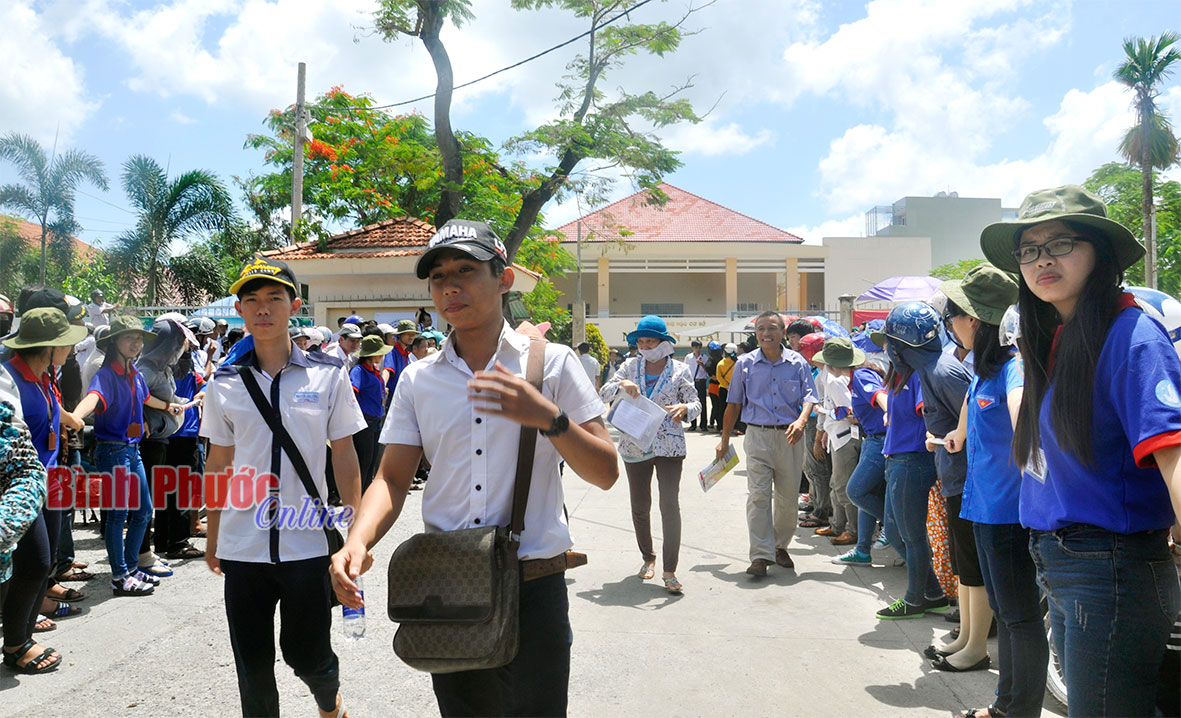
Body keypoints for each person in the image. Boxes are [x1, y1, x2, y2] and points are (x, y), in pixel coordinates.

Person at [330, 219, 618, 717]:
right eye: (438, 277)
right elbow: (392, 478)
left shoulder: (553, 365)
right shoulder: (419, 379)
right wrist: (358, 541)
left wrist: (550, 419)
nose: (450, 287)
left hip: (534, 583)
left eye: (466, 270)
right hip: (449, 586)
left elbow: (606, 471)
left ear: (503, 278)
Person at [980, 185, 1181, 717]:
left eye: (1060, 243)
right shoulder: (1059, 336)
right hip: (1062, 560)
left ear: (1100, 251)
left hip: (1109, 566)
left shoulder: (1132, 336)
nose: (1041, 259)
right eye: (1028, 249)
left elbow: (1174, 453)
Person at [201, 256, 365, 718]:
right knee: (252, 665)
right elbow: (219, 463)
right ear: (239, 308)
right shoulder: (225, 383)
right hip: (243, 544)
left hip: (307, 543)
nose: (263, 309)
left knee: (306, 653)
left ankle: (327, 699)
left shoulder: (327, 375)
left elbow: (345, 454)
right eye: (251, 300)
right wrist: (214, 536)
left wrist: (354, 534)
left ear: (294, 305)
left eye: (274, 298)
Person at [939, 264, 1047, 718]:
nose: (948, 324)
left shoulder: (1013, 367)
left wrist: (1040, 487)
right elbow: (971, 406)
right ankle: (1006, 704)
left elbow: (1026, 419)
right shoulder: (983, 371)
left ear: (975, 321)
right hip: (982, 509)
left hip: (1009, 516)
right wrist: (959, 433)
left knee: (1019, 619)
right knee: (1007, 615)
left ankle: (1015, 710)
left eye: (953, 315)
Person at [63, 316, 182, 596]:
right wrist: (75, 418)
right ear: (114, 341)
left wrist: (170, 406)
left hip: (132, 450)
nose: (136, 343)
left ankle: (130, 567)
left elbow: (144, 398)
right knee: (118, 516)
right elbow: (92, 398)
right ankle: (120, 576)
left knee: (143, 511)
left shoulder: (134, 373)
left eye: (139, 339)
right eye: (130, 338)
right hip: (113, 451)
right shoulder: (106, 375)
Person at [1, 308, 85, 670]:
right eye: (66, 343)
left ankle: (22, 629)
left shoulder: (43, 376)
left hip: (51, 481)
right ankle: (16, 643)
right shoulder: (10, 379)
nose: (71, 348)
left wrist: (73, 420)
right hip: (19, 487)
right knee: (32, 563)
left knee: (44, 561)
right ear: (49, 347)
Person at [601, 315, 699, 594]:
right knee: (640, 506)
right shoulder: (629, 366)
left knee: (670, 506)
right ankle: (648, 558)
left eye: (650, 341)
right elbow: (604, 391)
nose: (645, 346)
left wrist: (685, 410)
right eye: (641, 342)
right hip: (635, 444)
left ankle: (670, 570)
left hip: (670, 446)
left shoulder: (680, 370)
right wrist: (621, 385)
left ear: (664, 343)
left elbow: (695, 403)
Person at [716, 310, 817, 577]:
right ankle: (760, 555)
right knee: (758, 496)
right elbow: (733, 404)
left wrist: (802, 420)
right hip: (757, 436)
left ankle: (779, 546)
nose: (766, 333)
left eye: (772, 328)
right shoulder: (744, 364)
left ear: (783, 333)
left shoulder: (798, 363)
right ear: (756, 334)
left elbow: (810, 396)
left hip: (790, 437)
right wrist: (724, 440)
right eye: (760, 329)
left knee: (787, 500)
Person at [871, 310, 950, 619]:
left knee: (911, 536)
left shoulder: (918, 374)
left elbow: (928, 413)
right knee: (896, 531)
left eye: (890, 342)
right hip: (899, 459)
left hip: (913, 459)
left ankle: (915, 599)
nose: (887, 348)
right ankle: (932, 593)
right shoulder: (902, 375)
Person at [0, 373, 55, 674]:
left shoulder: (10, 380)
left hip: (25, 487)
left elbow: (23, 466)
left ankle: (17, 640)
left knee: (38, 563)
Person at [833, 333, 892, 565]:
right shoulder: (859, 375)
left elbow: (880, 397)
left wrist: (889, 412)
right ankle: (863, 551)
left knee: (856, 491)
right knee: (866, 494)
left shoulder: (860, 375)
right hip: (873, 440)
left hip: (879, 441)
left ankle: (890, 524)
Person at [810, 337, 862, 547]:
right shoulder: (830, 377)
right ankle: (839, 525)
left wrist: (824, 412)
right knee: (836, 483)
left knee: (842, 485)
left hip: (845, 437)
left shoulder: (834, 380)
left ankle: (852, 529)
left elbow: (848, 412)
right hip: (836, 435)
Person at [350, 334, 392, 490]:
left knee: (372, 461)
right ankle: (358, 496)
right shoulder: (359, 371)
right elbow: (352, 393)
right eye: (380, 352)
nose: (382, 355)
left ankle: (366, 494)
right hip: (364, 421)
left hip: (375, 420)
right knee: (364, 461)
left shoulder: (373, 370)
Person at [686, 340, 710, 431]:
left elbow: (708, 370)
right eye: (695, 347)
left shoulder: (704, 357)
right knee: (691, 403)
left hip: (701, 381)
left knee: (703, 403)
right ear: (692, 348)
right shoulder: (688, 357)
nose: (697, 349)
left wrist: (701, 364)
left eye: (698, 347)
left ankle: (703, 424)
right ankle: (693, 424)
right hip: (692, 382)